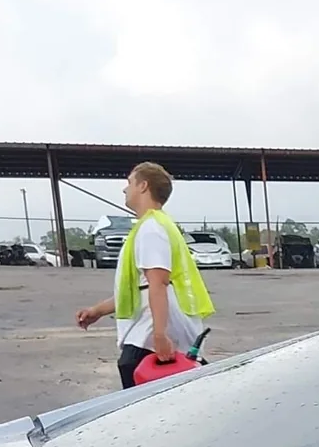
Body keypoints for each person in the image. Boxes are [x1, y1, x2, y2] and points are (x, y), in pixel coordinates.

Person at [75, 163, 215, 388]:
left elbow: (158, 283)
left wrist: (159, 335)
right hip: (151, 329)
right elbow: (139, 288)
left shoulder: (151, 229)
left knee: (141, 389)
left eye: (129, 182)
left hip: (149, 334)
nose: (125, 189)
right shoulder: (156, 225)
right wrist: (97, 311)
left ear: (143, 186)